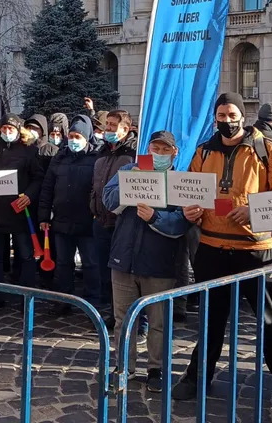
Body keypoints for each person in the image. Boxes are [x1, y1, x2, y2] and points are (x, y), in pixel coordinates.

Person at [171, 93, 272, 416]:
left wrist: (254, 212)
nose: (226, 120)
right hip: (212, 248)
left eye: (231, 114)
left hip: (256, 251)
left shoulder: (267, 148)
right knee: (211, 320)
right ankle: (198, 375)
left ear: (243, 115)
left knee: (271, 321)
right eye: (221, 114)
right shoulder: (203, 151)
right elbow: (190, 192)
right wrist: (190, 210)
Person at [102, 130, 189, 392]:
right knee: (123, 319)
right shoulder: (131, 169)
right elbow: (108, 200)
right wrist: (132, 184)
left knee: (159, 321)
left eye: (165, 150)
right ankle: (124, 366)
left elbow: (181, 223)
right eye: (155, 148)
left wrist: (154, 217)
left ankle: (156, 369)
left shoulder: (180, 180)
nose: (159, 154)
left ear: (174, 152)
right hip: (124, 258)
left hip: (160, 261)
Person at [0, 114, 44, 312]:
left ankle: (26, 295)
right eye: (4, 129)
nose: (6, 132)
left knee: (25, 255)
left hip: (19, 210)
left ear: (18, 130)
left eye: (10, 129)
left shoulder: (29, 150)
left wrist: (29, 196)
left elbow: (38, 178)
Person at [38, 115, 99, 313]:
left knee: (91, 264)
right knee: (63, 263)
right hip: (62, 221)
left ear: (87, 138)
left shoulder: (96, 158)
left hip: (87, 221)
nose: (73, 140)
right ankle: (63, 300)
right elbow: (47, 188)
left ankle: (92, 304)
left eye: (78, 136)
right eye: (71, 135)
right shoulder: (60, 157)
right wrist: (44, 216)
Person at [89, 110, 137, 327]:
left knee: (123, 274)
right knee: (103, 272)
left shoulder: (134, 154)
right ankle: (108, 312)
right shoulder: (102, 151)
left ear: (125, 129)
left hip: (122, 223)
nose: (107, 128)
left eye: (112, 125)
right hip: (100, 220)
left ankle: (128, 317)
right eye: (107, 124)